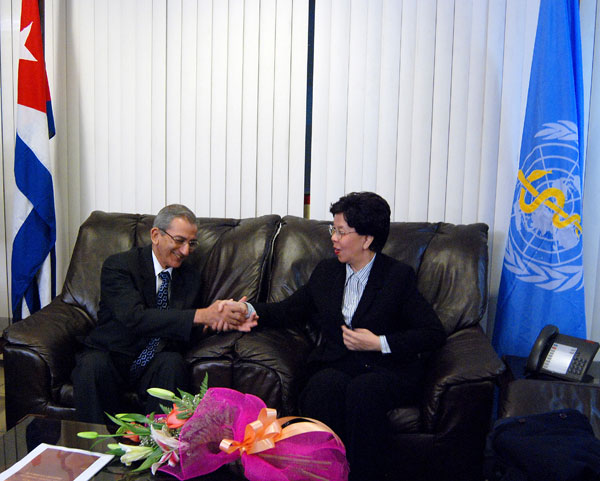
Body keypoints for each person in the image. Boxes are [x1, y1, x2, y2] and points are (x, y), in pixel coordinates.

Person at [245, 192, 446, 481]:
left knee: (364, 392)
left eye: (341, 232)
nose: (334, 239)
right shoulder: (327, 272)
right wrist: (249, 310)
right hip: (339, 363)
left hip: (386, 369)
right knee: (323, 386)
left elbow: (432, 333)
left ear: (366, 239)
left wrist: (379, 343)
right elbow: (290, 310)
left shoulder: (397, 277)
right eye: (333, 230)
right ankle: (321, 473)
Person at [72, 204, 256, 424]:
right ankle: (94, 452)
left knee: (173, 362)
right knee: (91, 366)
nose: (186, 251)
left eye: (192, 243)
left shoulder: (190, 278)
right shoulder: (119, 266)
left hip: (155, 362)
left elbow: (187, 329)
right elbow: (134, 317)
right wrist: (203, 315)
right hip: (112, 356)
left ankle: (160, 448)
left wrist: (219, 322)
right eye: (179, 240)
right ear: (156, 235)